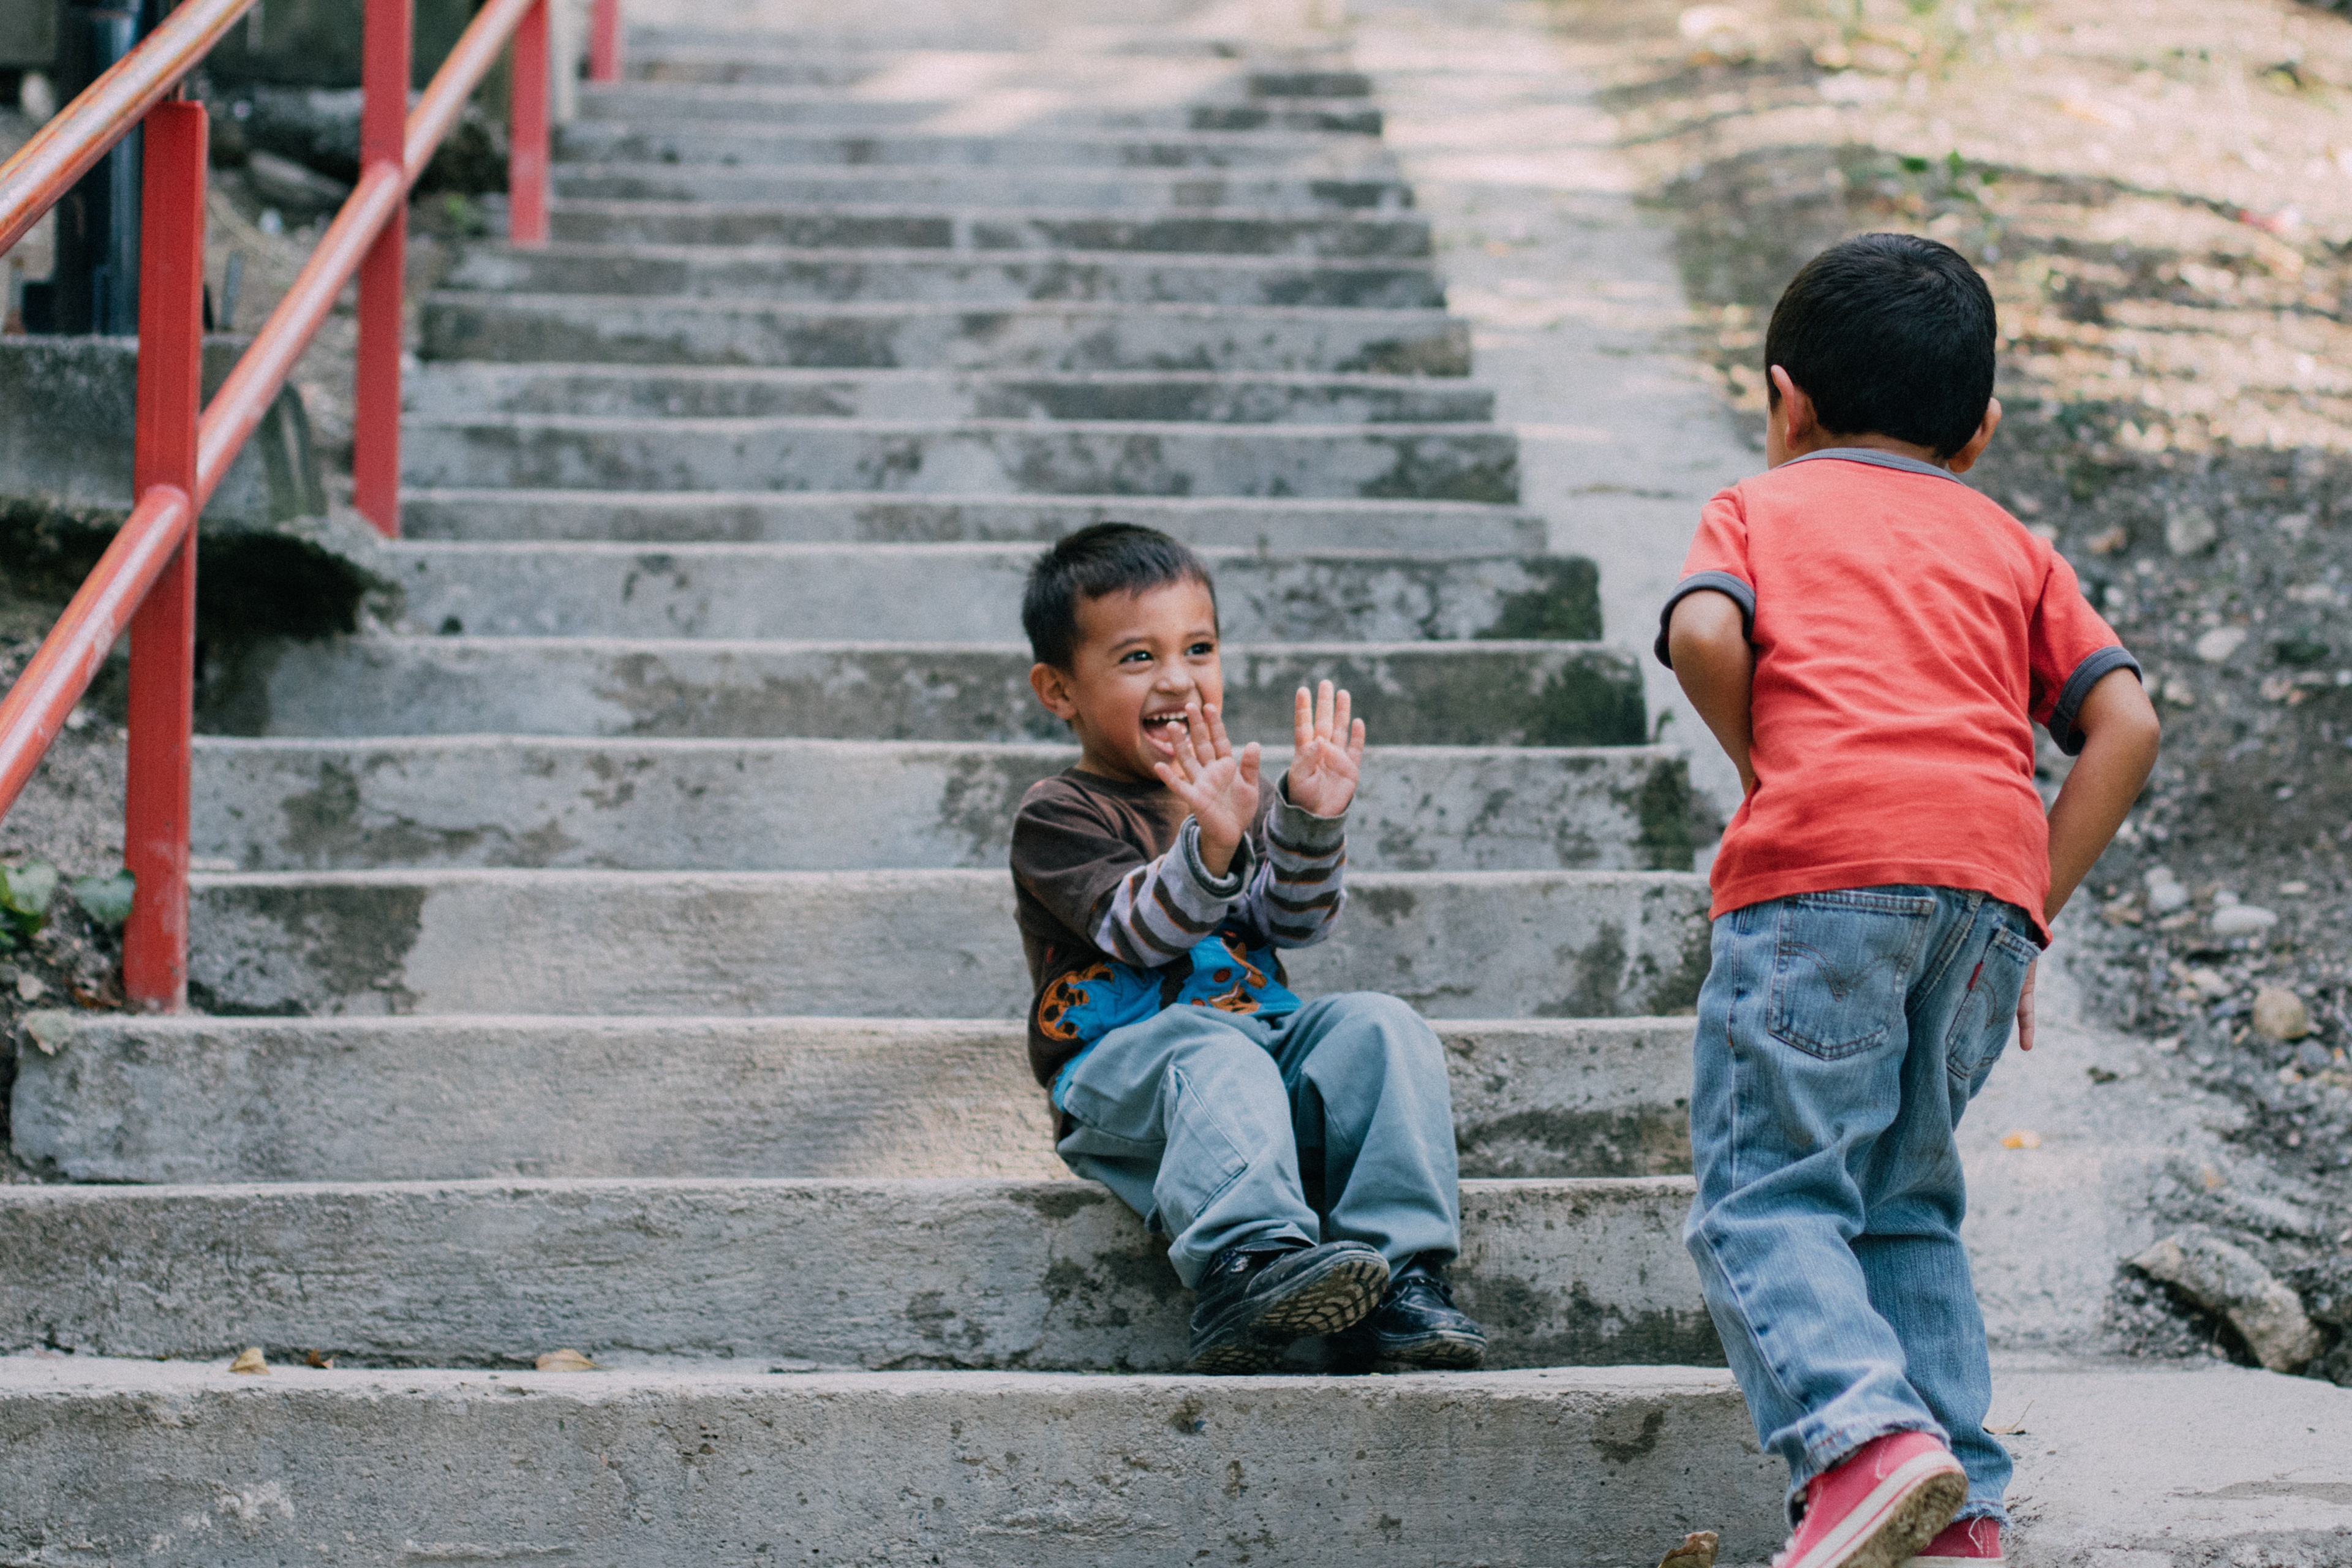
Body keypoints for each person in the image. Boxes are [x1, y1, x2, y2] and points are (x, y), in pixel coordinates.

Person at [1658, 233, 2161, 1568]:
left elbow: (1703, 632)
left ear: (1786, 402)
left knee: (1764, 1197)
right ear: (1980, 429)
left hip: (1819, 879)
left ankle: (1863, 1442)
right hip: (1984, 900)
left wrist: (1769, 765)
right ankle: (1959, 1516)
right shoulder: (2015, 545)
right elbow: (2126, 723)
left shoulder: (1758, 507)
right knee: (1903, 1202)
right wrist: (2028, 903)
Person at [1010, 522, 1487, 1375]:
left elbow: (1293, 923)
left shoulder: (1241, 790)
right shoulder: (1059, 815)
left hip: (1256, 1055)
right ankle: (1247, 1263)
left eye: (1198, 649)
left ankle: (1403, 1277)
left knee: (1384, 1026)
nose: (1177, 678)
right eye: (1137, 657)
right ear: (1059, 689)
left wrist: (1307, 821)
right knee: (1214, 1045)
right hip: (1126, 1081)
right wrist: (1211, 846)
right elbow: (1138, 930)